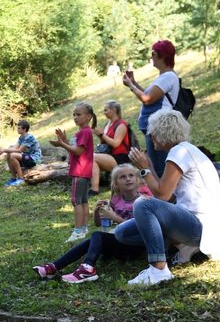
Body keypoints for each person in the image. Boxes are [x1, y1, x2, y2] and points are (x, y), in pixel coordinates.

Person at [117, 109, 220, 286]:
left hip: (199, 226)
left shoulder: (179, 152)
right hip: (194, 222)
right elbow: (163, 194)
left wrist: (143, 168)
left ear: (163, 133)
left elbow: (162, 195)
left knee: (142, 204)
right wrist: (149, 166)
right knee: (122, 232)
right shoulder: (185, 150)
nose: (150, 136)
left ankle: (158, 269)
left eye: (153, 132)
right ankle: (175, 249)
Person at [33, 164, 153, 283]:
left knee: (97, 236)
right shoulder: (116, 200)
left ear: (137, 180)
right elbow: (98, 224)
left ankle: (87, 268)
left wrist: (115, 217)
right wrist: (97, 211)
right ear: (116, 184)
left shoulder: (143, 200)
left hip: (134, 246)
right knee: (92, 239)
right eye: (122, 177)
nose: (128, 178)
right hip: (119, 243)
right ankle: (53, 267)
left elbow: (140, 227)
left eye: (131, 175)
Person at [123, 39, 180, 176]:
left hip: (158, 129)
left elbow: (146, 99)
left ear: (163, 55)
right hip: (153, 128)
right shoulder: (164, 76)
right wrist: (134, 82)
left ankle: (164, 195)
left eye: (154, 53)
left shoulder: (168, 76)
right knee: (156, 164)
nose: (151, 56)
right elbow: (148, 95)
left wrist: (130, 86)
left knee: (159, 167)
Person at [51, 102, 96, 242]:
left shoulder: (84, 132)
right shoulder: (84, 132)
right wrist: (64, 140)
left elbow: (78, 151)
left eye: (78, 114)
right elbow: (74, 149)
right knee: (83, 200)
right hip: (84, 170)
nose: (75, 117)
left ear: (88, 116)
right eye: (74, 115)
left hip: (80, 171)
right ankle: (83, 228)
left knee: (76, 201)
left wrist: (61, 144)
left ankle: (77, 231)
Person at [91, 100, 133, 194]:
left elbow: (115, 144)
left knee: (92, 157)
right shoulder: (108, 124)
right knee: (91, 158)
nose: (104, 113)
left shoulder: (121, 125)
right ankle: (95, 187)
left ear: (113, 110)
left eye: (106, 110)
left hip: (120, 157)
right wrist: (99, 134)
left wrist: (102, 134)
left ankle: (95, 188)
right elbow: (104, 141)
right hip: (109, 155)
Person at [0, 119, 41, 187]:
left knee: (13, 155)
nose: (17, 130)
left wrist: (4, 150)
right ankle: (13, 178)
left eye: (19, 128)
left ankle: (21, 178)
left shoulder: (29, 137)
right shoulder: (21, 138)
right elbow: (14, 148)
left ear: (24, 129)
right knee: (9, 154)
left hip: (34, 159)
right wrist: (2, 150)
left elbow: (19, 150)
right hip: (26, 158)